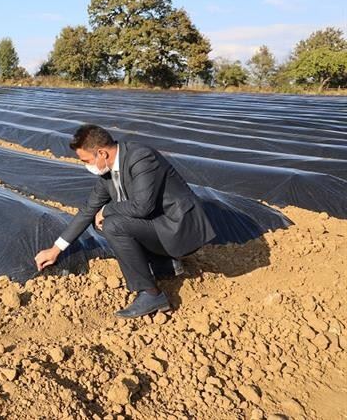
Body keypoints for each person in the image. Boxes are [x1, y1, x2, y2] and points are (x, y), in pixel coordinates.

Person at [34, 124, 216, 318]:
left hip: (180, 228)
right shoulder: (108, 173)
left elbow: (142, 206)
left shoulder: (140, 157)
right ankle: (165, 264)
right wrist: (55, 249)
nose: (85, 165)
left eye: (86, 160)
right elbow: (88, 210)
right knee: (102, 223)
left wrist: (106, 209)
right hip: (160, 226)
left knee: (113, 223)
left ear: (102, 153)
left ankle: (150, 294)